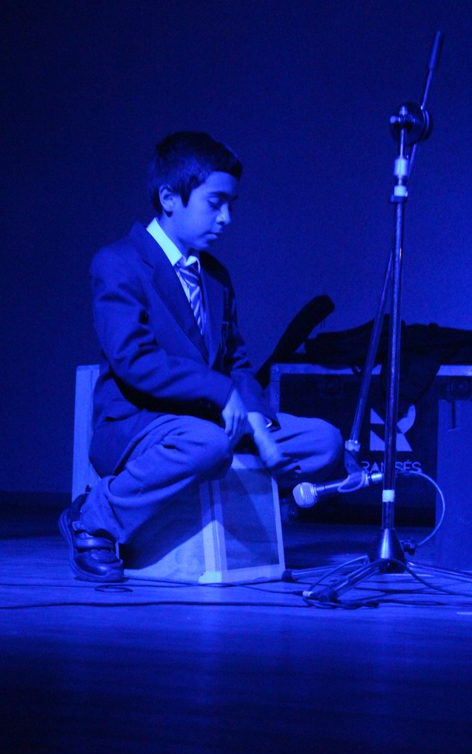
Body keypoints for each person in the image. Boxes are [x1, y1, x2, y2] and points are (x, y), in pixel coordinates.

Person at [59, 131, 342, 582]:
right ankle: (93, 518)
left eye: (231, 204)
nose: (226, 218)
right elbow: (135, 360)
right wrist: (219, 391)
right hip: (142, 425)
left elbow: (238, 363)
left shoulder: (215, 276)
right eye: (215, 203)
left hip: (213, 424)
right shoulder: (118, 262)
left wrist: (259, 424)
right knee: (205, 444)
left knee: (323, 441)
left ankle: (235, 512)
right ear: (169, 198)